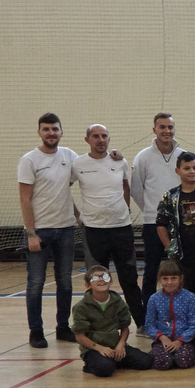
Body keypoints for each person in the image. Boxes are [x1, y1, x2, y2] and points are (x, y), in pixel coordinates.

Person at [70, 123, 145, 330]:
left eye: (104, 136)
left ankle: (142, 324)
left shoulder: (119, 161)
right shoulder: (78, 164)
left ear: (109, 139)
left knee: (129, 279)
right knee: (97, 279)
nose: (100, 140)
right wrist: (77, 215)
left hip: (122, 229)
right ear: (87, 140)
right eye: (95, 136)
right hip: (93, 230)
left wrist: (125, 210)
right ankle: (99, 326)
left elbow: (125, 187)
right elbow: (62, 189)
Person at [131, 112, 185, 324]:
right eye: (162, 127)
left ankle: (181, 315)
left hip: (180, 224)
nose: (166, 131)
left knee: (181, 268)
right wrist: (153, 212)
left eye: (170, 127)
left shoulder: (183, 155)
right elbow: (137, 190)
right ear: (154, 129)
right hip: (152, 224)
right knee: (151, 271)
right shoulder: (143, 157)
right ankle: (148, 318)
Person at [73, 265, 154, 377]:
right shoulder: (81, 307)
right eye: (95, 278)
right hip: (94, 349)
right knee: (105, 369)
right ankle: (92, 365)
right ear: (87, 285)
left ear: (110, 280)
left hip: (115, 346)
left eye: (104, 276)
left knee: (146, 361)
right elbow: (80, 337)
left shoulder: (118, 301)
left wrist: (121, 344)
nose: (101, 280)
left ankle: (114, 360)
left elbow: (124, 327)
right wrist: (100, 348)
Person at [155, 152, 195, 292]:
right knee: (185, 292)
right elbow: (161, 224)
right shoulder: (170, 196)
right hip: (183, 256)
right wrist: (170, 248)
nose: (192, 171)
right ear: (177, 171)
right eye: (187, 168)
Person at [145, 260, 195, 370]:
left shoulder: (190, 297)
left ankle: (176, 358)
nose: (169, 282)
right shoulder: (154, 299)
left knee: (184, 360)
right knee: (162, 362)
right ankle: (169, 358)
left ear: (181, 278)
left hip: (183, 342)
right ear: (159, 279)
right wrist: (162, 338)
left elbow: (194, 325)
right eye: (165, 279)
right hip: (162, 343)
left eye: (174, 278)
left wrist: (180, 341)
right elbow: (149, 325)